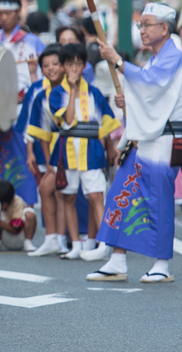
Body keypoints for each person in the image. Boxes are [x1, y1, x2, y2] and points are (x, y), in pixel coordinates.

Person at [88, 2, 182, 283]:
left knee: (158, 200)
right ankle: (117, 258)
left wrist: (117, 60)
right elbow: (148, 92)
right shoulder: (156, 57)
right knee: (122, 191)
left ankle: (162, 263)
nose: (141, 30)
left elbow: (152, 84)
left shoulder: (172, 57)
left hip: (164, 141)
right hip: (145, 140)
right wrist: (128, 99)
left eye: (147, 24)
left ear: (164, 28)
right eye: (140, 25)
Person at [48, 44, 119, 260]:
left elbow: (109, 120)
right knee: (68, 198)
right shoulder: (57, 93)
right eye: (70, 64)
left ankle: (104, 243)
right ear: (63, 66)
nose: (74, 68)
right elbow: (67, 121)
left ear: (84, 64)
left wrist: (108, 145)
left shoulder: (95, 92)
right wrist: (72, 91)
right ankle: (76, 245)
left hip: (92, 152)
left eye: (79, 63)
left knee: (96, 196)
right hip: (67, 152)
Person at [0, 0, 44, 209]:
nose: (4, 17)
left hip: (21, 113)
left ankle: (25, 217)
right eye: (0, 13)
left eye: (8, 12)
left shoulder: (33, 43)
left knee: (22, 164)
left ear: (18, 12)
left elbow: (44, 79)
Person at [25, 45, 70, 256]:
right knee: (52, 190)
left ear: (64, 66)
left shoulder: (74, 89)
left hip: (73, 147)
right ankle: (55, 238)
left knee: (57, 192)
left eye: (56, 64)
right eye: (46, 65)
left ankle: (62, 239)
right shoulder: (41, 95)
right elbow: (39, 131)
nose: (51, 68)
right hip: (55, 150)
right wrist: (48, 159)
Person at [0, 180, 37, 251]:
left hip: (19, 236)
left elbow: (15, 230)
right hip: (3, 237)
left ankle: (28, 243)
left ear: (5, 203)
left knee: (30, 213)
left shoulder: (17, 202)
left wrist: (0, 223)